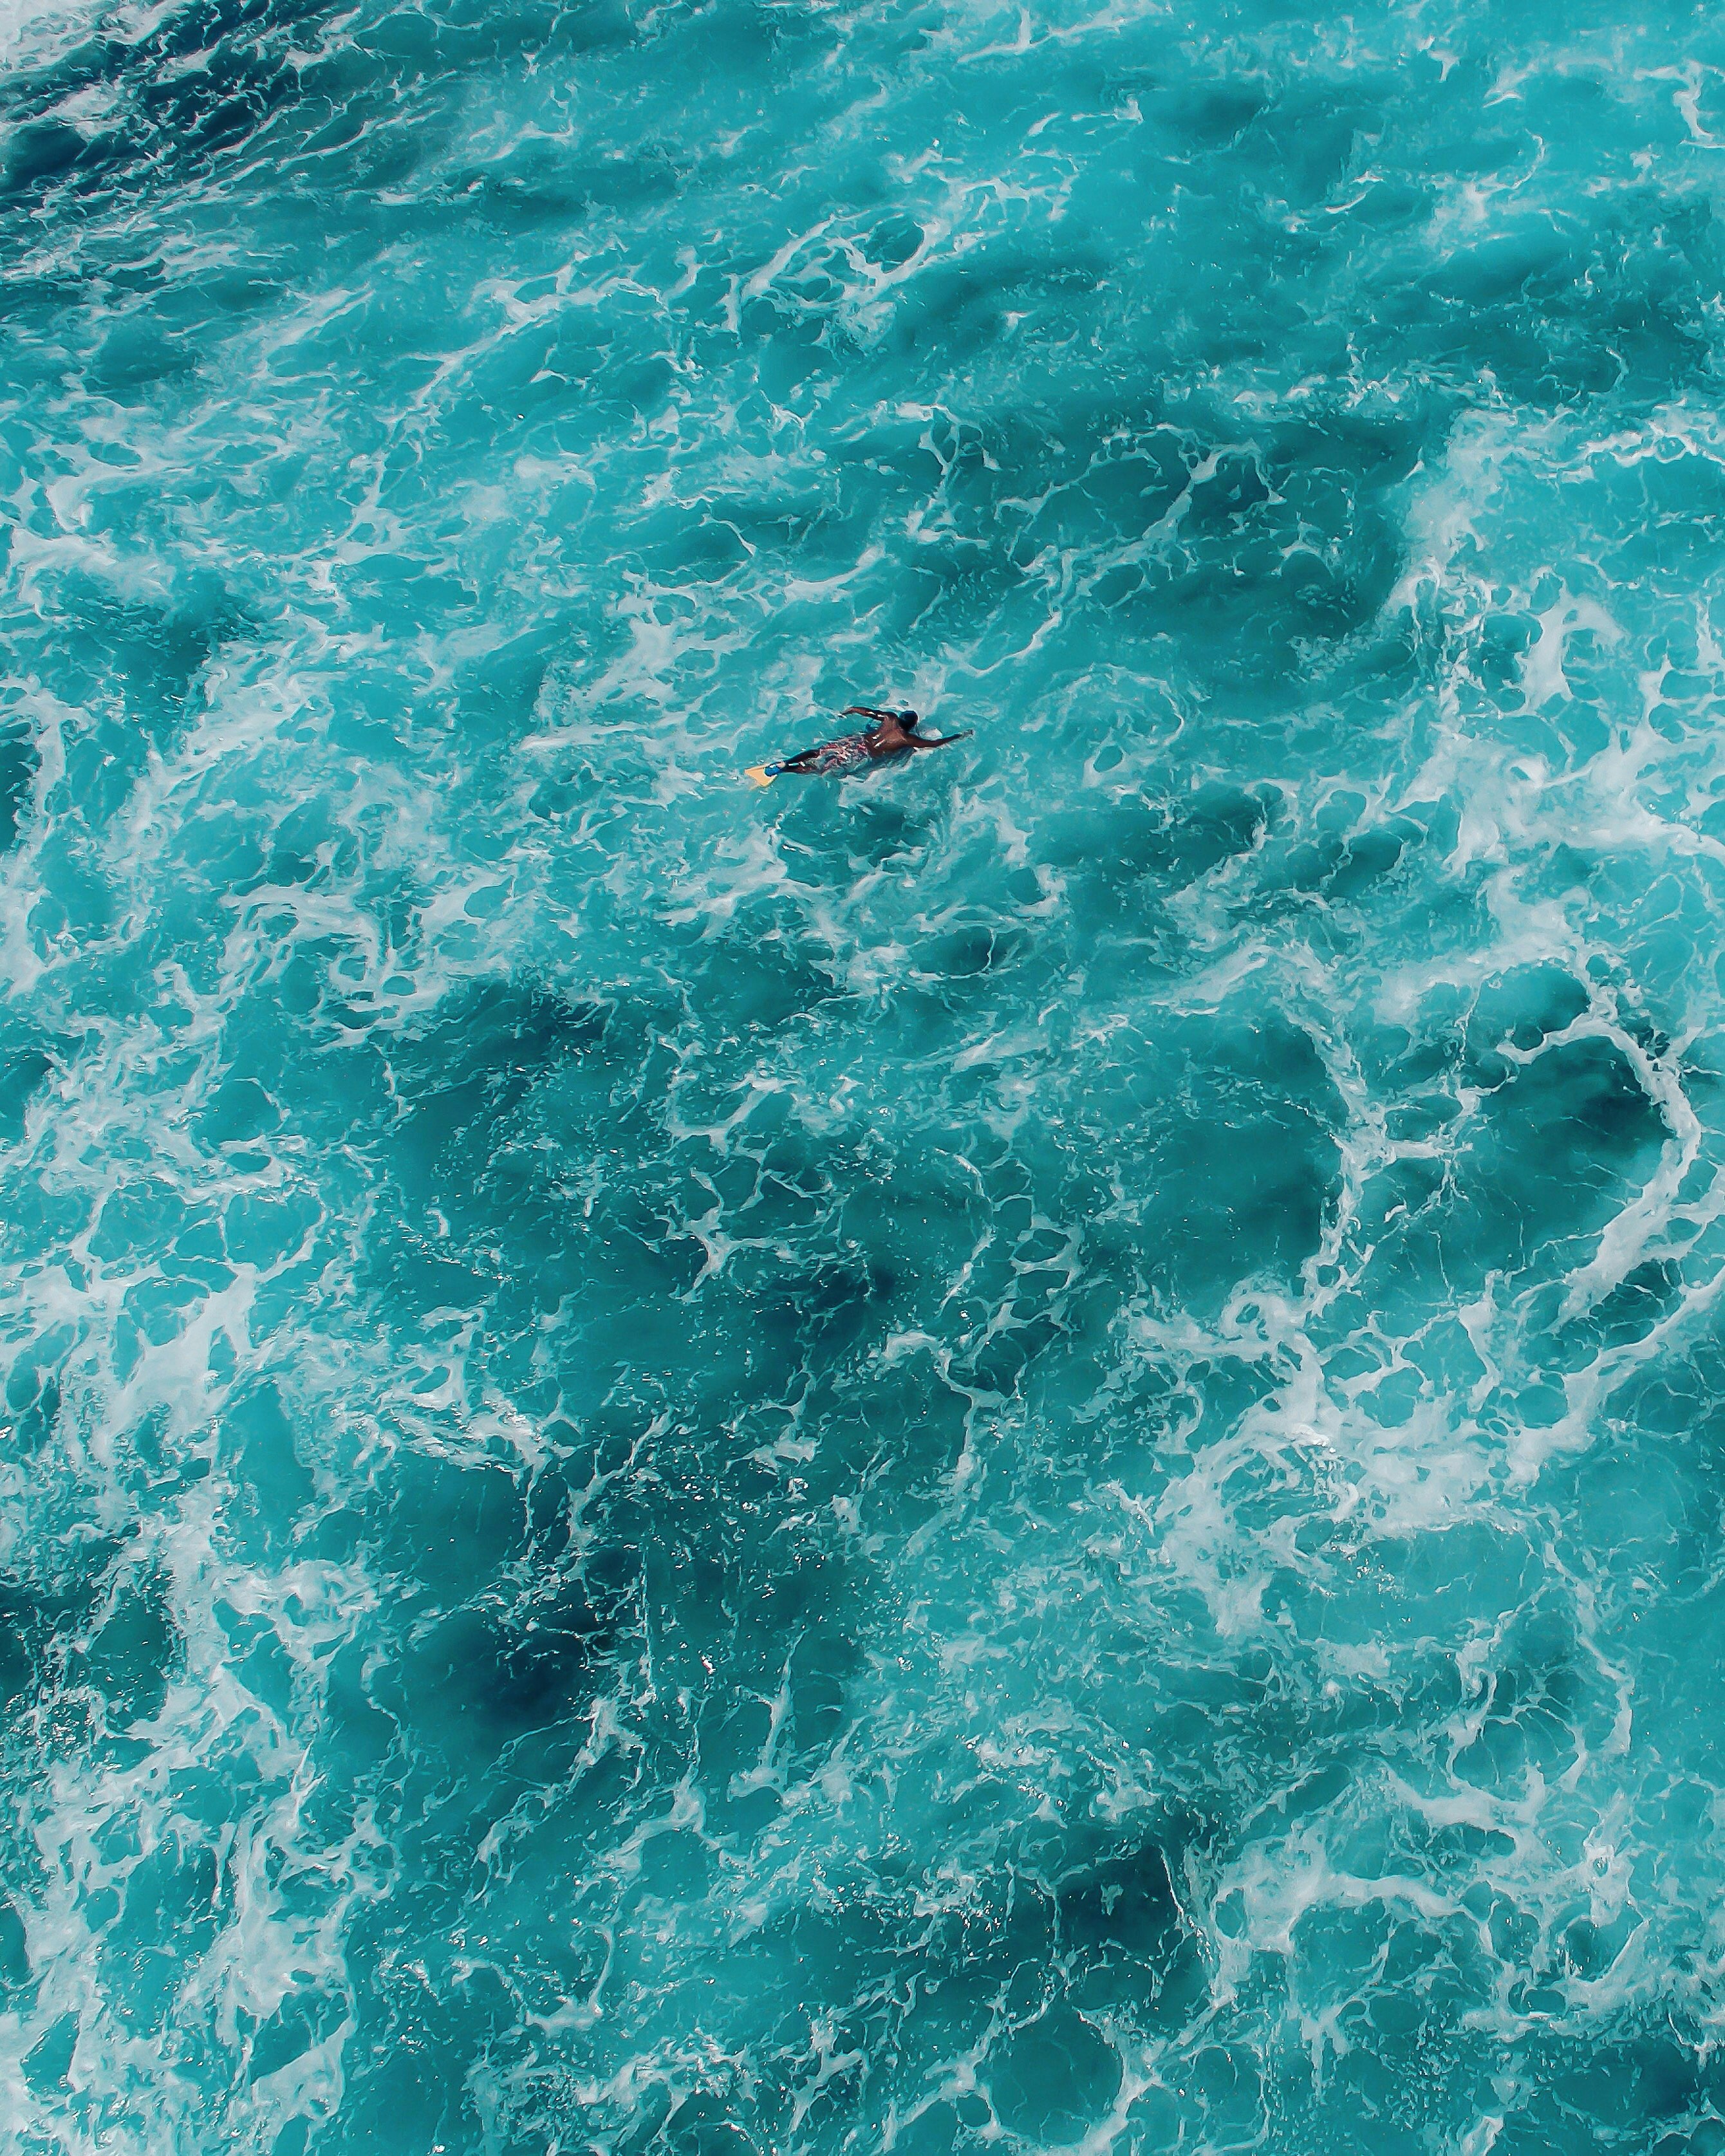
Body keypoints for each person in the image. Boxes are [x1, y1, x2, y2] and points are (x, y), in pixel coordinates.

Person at [747, 707, 973, 788]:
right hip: (862, 754)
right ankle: (786, 771)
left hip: (856, 740)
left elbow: (867, 712)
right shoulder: (907, 739)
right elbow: (934, 744)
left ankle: (785, 762)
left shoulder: (890, 718)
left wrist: (851, 710)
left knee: (818, 753)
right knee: (821, 768)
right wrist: (959, 735)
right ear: (912, 726)